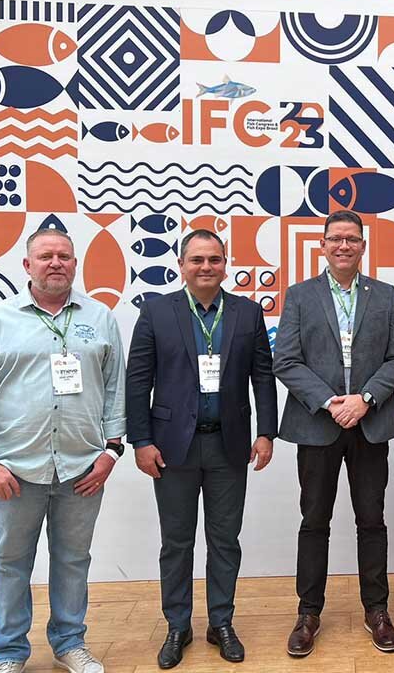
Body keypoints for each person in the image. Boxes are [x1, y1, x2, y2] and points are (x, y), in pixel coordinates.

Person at [0, 228, 125, 673]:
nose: (56, 263)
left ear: (75, 264)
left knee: (73, 560)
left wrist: (111, 452)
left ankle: (69, 644)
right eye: (46, 256)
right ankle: (10, 652)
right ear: (27, 265)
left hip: (82, 469)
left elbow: (116, 391)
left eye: (64, 256)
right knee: (11, 562)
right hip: (15, 470)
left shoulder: (100, 318)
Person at [125, 229, 277, 666]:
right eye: (197, 260)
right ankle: (178, 625)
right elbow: (138, 380)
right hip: (172, 448)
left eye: (214, 259)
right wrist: (141, 440)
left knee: (225, 539)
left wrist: (266, 432)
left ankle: (220, 622)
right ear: (182, 265)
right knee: (176, 542)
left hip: (230, 445)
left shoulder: (247, 312)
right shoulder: (156, 311)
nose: (206, 267)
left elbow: (262, 376)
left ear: (225, 265)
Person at [273, 210, 394, 656]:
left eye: (352, 239)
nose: (344, 246)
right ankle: (308, 613)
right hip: (318, 425)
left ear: (363, 246)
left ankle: (377, 610)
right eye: (336, 238)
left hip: (369, 424)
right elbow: (286, 360)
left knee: (372, 520)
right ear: (323, 245)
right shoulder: (300, 295)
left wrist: (365, 399)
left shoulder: (385, 295)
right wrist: (332, 402)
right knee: (314, 521)